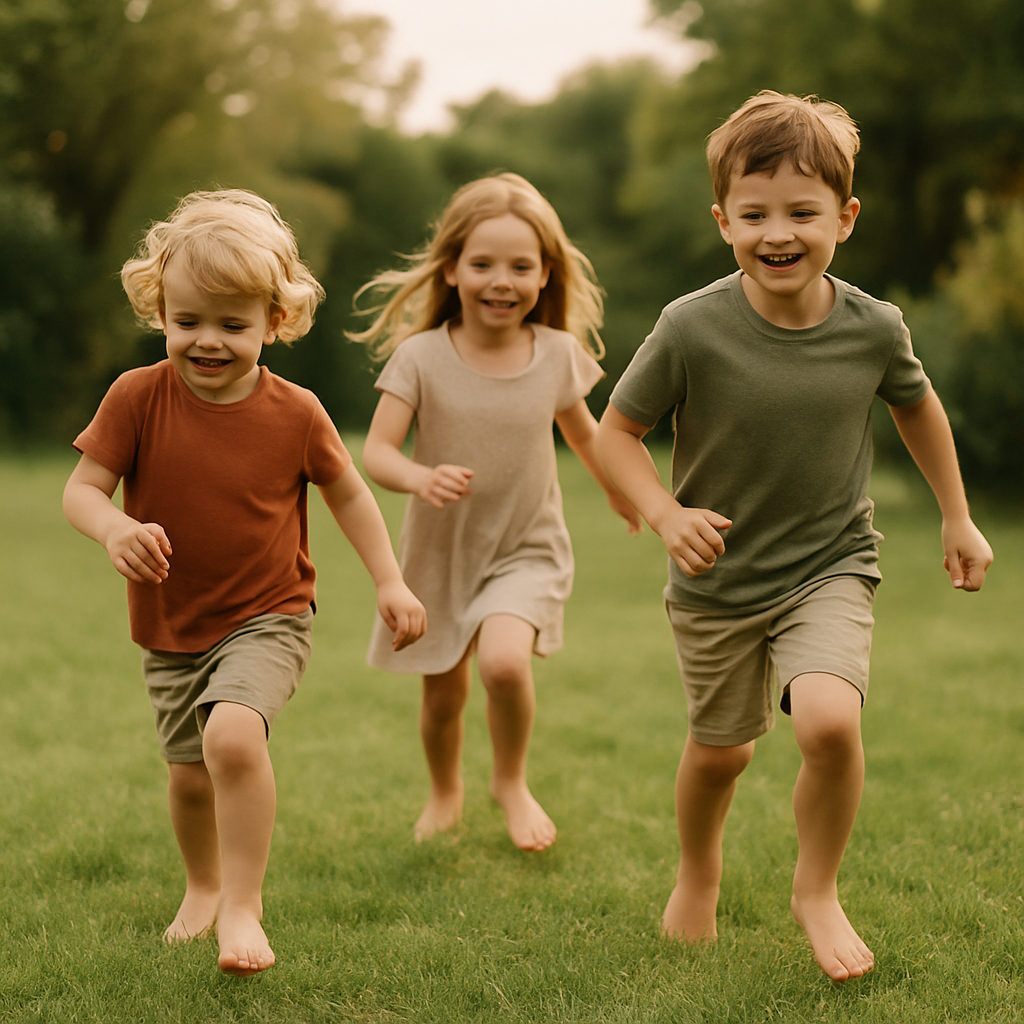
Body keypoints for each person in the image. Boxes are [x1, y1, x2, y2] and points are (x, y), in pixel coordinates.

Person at [596, 92, 993, 982]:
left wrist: (957, 514)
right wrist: (664, 514)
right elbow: (612, 432)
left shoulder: (873, 328)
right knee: (722, 753)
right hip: (718, 580)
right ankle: (699, 871)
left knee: (828, 723)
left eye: (803, 212)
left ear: (845, 220)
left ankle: (816, 890)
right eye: (755, 213)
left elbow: (919, 408)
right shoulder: (690, 326)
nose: (779, 232)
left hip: (831, 564)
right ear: (723, 221)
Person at [62, 189, 426, 977]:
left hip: (269, 613)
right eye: (188, 320)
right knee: (190, 775)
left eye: (234, 325)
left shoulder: (296, 413)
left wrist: (390, 582)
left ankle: (243, 906)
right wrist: (115, 527)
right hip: (169, 620)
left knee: (232, 736)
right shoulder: (135, 398)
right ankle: (201, 887)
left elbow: (350, 494)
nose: (208, 341)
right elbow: (81, 491)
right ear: (161, 311)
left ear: (274, 322)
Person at [351, 172, 640, 852]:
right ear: (451, 268)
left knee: (505, 665)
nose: (501, 281)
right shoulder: (420, 357)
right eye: (483, 264)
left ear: (545, 275)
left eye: (521, 265)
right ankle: (445, 790)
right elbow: (377, 453)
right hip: (440, 552)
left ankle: (510, 781)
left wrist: (618, 487)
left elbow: (587, 435)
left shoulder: (557, 356)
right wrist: (421, 477)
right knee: (442, 694)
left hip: (527, 546)